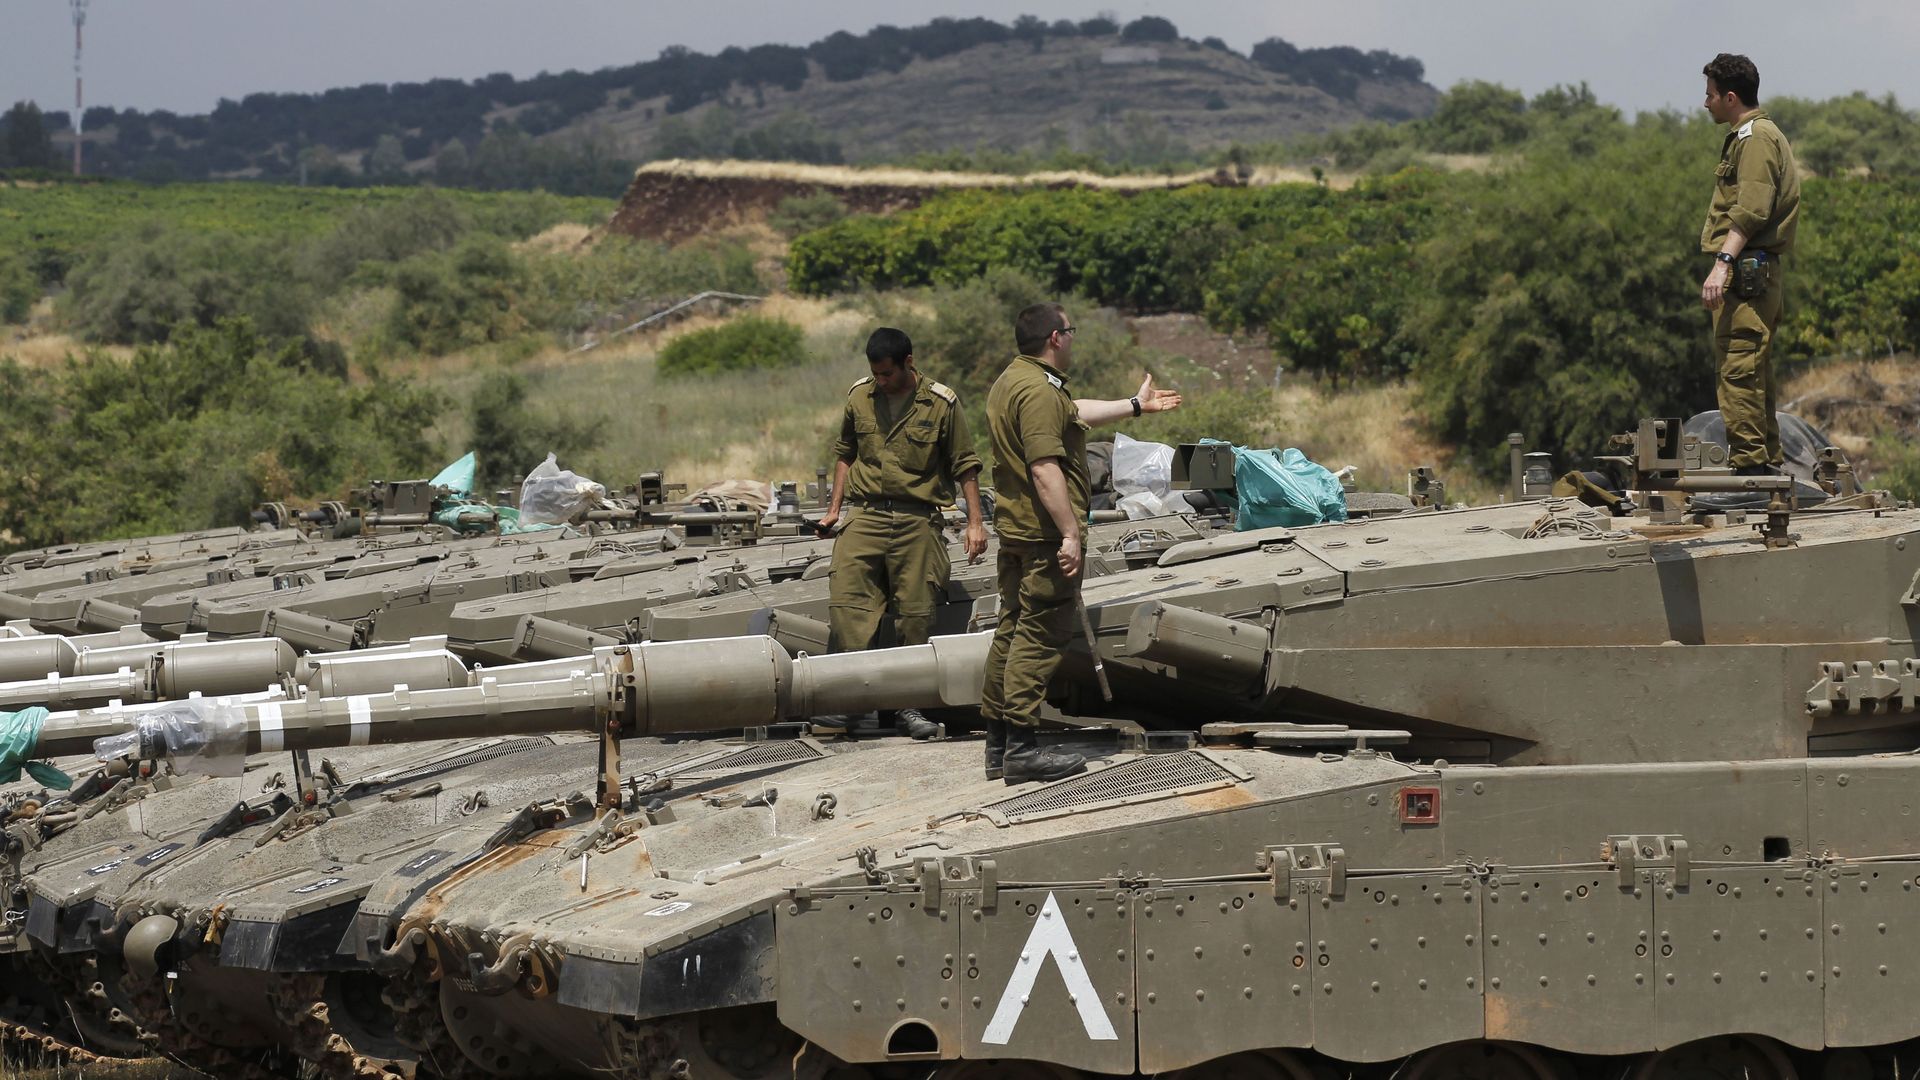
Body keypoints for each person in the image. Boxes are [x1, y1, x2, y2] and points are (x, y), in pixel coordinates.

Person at [980, 304, 1182, 783]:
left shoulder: (1014, 381)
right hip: (1044, 534)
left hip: (1017, 530)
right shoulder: (1037, 392)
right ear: (1056, 337)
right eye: (1070, 331)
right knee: (1039, 636)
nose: (1073, 339)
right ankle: (1023, 751)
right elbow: (1044, 467)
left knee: (1010, 630)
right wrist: (1070, 533)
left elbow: (1072, 412)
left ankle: (998, 745)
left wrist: (1135, 405)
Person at [817, 327, 988, 738]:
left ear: (908, 363)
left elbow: (965, 463)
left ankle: (912, 707)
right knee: (847, 605)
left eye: (888, 374)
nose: (881, 381)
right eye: (875, 373)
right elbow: (845, 452)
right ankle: (849, 703)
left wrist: (975, 522)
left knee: (916, 614)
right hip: (866, 514)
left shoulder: (941, 403)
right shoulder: (859, 396)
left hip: (918, 518)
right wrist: (834, 510)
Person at [1698, 52, 1799, 476]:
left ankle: (1751, 468)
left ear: (1731, 97)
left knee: (1739, 370)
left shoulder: (1755, 138)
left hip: (1748, 275)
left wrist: (1722, 263)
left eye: (1711, 95)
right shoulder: (1756, 135)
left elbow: (1751, 209)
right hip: (1754, 274)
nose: (1706, 103)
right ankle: (1765, 462)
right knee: (1754, 370)